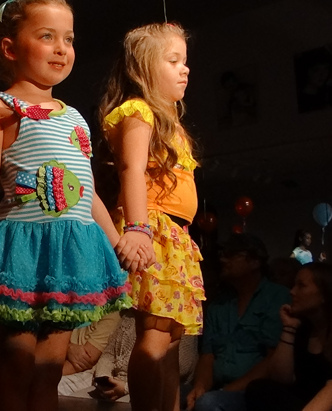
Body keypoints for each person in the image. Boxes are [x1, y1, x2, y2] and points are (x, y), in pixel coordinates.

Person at [0, 0, 130, 411]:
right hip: (23, 251)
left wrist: (116, 241)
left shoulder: (75, 116)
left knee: (49, 371)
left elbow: (85, 191)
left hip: (70, 255)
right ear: (10, 48)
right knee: (16, 366)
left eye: (68, 38)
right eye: (47, 36)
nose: (61, 48)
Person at [100, 22, 205, 411]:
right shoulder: (139, 111)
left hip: (177, 236)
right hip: (154, 228)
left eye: (185, 61)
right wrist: (139, 228)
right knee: (157, 335)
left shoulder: (172, 123)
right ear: (144, 67)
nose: (184, 69)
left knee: (172, 338)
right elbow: (132, 169)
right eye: (173, 61)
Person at [186, 234, 291, 411]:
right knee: (169, 393)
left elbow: (272, 359)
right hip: (217, 388)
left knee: (209, 403)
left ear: (255, 262)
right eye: (223, 254)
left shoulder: (277, 297)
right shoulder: (219, 304)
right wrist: (200, 387)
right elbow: (208, 355)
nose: (223, 259)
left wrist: (225, 391)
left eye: (232, 254)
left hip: (256, 392)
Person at [245, 263, 332, 411]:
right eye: (294, 285)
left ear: (324, 294)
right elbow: (281, 378)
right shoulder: (303, 328)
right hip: (304, 401)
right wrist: (289, 327)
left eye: (301, 286)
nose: (292, 291)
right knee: (259, 389)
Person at [58, 311, 121, 396]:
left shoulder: (112, 314)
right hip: (56, 365)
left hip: (85, 374)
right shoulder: (68, 307)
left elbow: (83, 361)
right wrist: (69, 347)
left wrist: (45, 374)